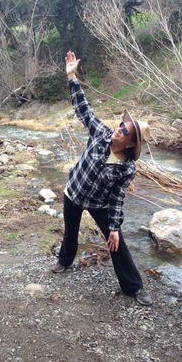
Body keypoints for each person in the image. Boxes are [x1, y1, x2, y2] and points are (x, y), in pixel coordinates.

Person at [52, 51, 152, 306]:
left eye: (124, 130)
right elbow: (83, 108)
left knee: (116, 243)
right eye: (121, 125)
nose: (118, 128)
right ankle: (64, 261)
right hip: (74, 192)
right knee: (70, 233)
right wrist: (72, 76)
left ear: (130, 143)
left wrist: (115, 227)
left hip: (99, 204)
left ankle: (133, 286)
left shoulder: (127, 168)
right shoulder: (100, 133)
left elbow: (117, 198)